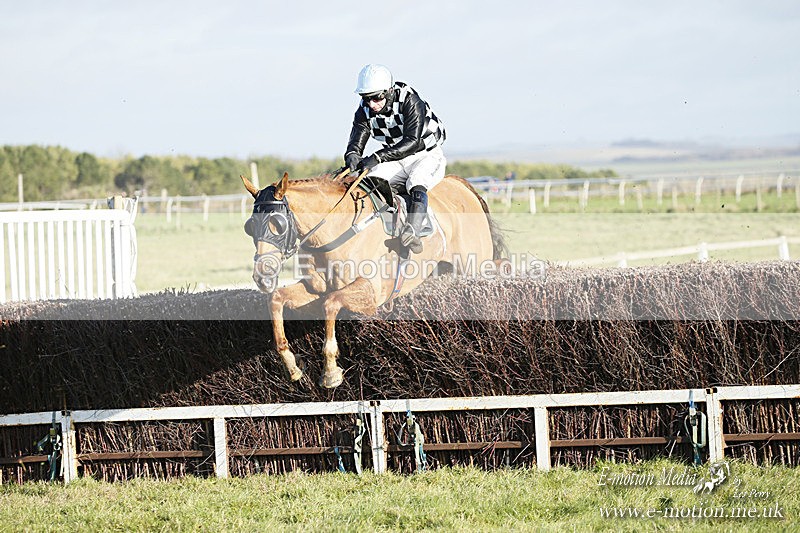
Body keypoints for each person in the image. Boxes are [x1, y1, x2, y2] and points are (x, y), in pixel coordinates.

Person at [344, 64, 446, 254]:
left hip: (425, 154)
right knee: (370, 181)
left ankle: (413, 231)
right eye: (366, 98)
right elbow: (357, 138)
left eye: (376, 97)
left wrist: (377, 157)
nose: (371, 104)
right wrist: (352, 156)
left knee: (416, 181)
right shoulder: (364, 109)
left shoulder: (410, 100)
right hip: (397, 158)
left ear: (389, 91)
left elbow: (412, 142)